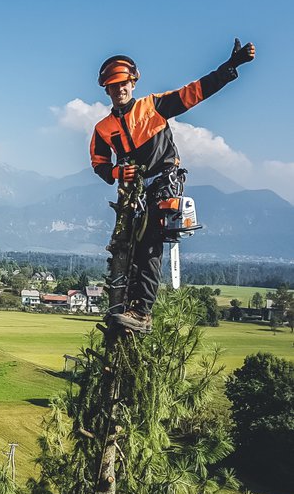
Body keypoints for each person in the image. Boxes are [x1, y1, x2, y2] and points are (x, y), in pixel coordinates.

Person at [91, 39, 255, 333]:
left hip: (164, 182)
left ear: (133, 83)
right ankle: (127, 306)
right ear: (107, 90)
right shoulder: (103, 129)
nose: (120, 90)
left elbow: (195, 92)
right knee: (129, 249)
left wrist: (230, 67)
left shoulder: (153, 106)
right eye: (114, 86)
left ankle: (141, 313)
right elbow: (99, 164)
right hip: (134, 194)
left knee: (149, 247)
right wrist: (118, 172)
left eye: (124, 84)